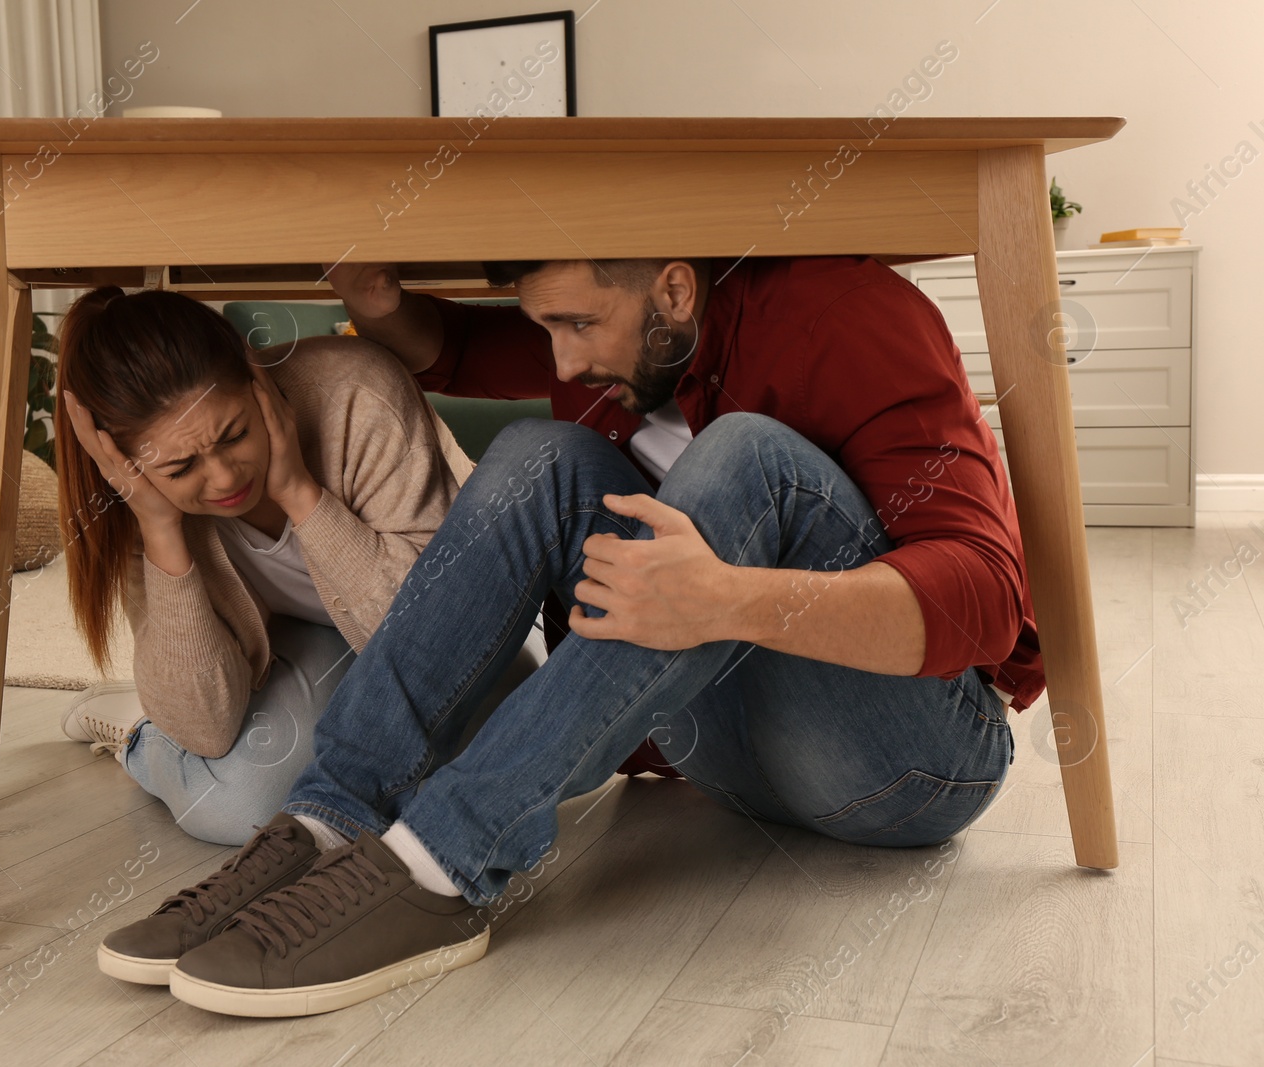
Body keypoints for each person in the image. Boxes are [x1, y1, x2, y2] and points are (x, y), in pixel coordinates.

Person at [100, 254, 1039, 1018]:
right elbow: (461, 345)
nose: (557, 363)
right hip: (714, 753)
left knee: (744, 455)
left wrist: (732, 599)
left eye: (576, 326)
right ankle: (327, 815)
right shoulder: (626, 333)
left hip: (910, 767)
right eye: (543, 326)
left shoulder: (845, 312)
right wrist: (383, 303)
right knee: (534, 455)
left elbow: (987, 598)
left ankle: (440, 864)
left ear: (674, 288)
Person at [51, 286, 545, 884]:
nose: (225, 476)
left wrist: (299, 495)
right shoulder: (137, 497)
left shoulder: (354, 393)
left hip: (427, 636)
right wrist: (160, 528)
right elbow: (206, 727)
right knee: (238, 806)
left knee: (513, 747)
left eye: (234, 434)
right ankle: (141, 734)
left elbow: (436, 650)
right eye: (181, 469)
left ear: (254, 378)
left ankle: (157, 721)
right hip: (292, 655)